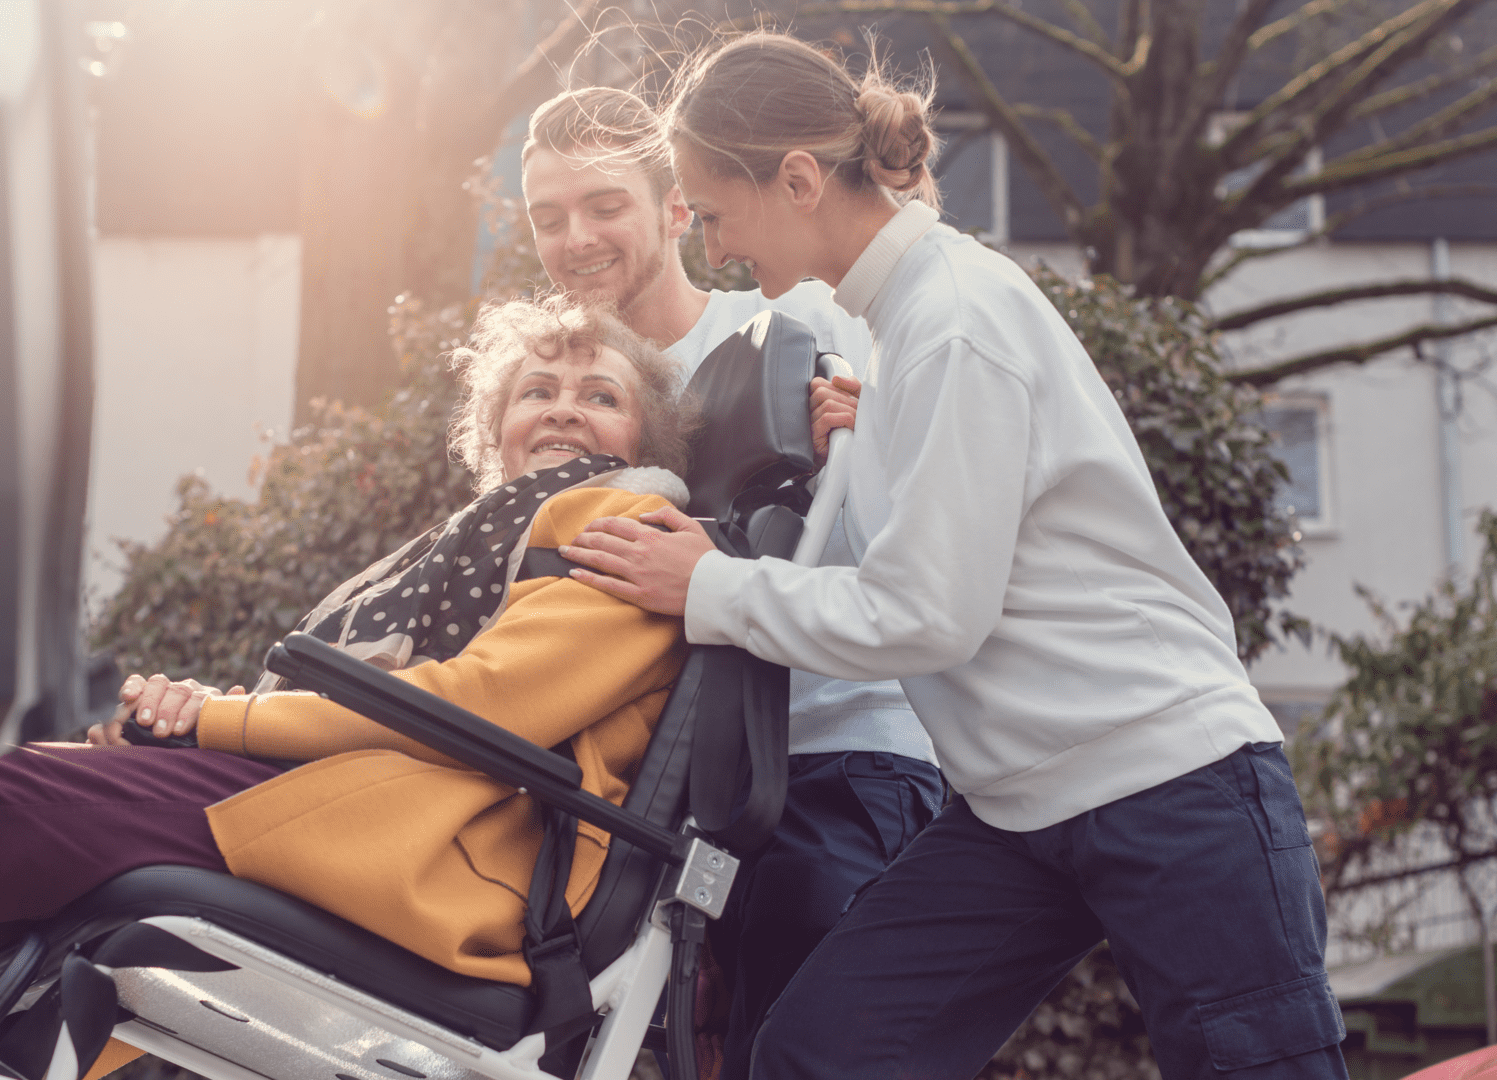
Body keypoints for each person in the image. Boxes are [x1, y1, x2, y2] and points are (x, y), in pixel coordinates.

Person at [0, 295, 701, 1080]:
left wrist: (214, 718)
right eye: (536, 390)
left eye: (599, 394)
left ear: (646, 434)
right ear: (491, 434)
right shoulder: (463, 540)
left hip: (428, 849)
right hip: (341, 803)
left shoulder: (626, 521)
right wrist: (181, 723)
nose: (562, 409)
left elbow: (479, 709)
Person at [558, 32, 1347, 1080]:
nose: (711, 245)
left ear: (796, 180)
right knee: (818, 1053)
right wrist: (865, 429)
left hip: (1171, 780)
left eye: (711, 213)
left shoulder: (954, 321)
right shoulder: (899, 333)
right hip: (1021, 810)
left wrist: (707, 586)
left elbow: (929, 616)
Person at [522, 85, 944, 1078]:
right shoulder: (563, 393)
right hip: (656, 795)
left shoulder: (792, 320)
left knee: (799, 1040)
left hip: (829, 759)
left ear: (679, 209)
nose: (574, 238)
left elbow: (924, 513)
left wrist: (871, 433)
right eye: (548, 217)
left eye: (603, 205)